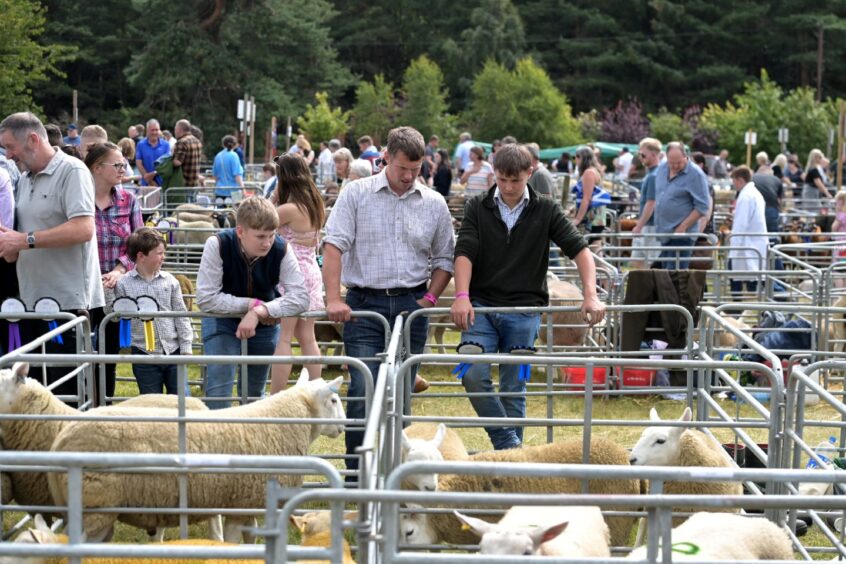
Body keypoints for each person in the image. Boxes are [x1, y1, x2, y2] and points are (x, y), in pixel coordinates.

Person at [450, 143, 605, 450]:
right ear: (494, 173)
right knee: (471, 371)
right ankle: (510, 445)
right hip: (480, 308)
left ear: (529, 174)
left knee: (514, 385)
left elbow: (580, 250)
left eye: (516, 180)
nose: (508, 187)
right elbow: (464, 250)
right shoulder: (478, 206)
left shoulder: (545, 209)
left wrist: (591, 295)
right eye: (502, 179)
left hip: (524, 311)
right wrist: (462, 295)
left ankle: (512, 463)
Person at [323, 126, 455, 478]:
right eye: (402, 169)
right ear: (386, 159)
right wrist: (334, 298)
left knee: (403, 392)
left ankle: (399, 473)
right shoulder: (356, 194)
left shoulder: (434, 203)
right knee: (363, 388)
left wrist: (428, 299)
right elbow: (334, 245)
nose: (409, 176)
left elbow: (445, 258)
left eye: (416, 169)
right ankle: (356, 475)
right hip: (365, 304)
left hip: (412, 305)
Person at [0, 112, 104, 403]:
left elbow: (84, 228)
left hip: (66, 307)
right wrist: (11, 241)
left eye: (11, 147)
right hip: (31, 304)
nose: (8, 155)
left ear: (32, 139)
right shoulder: (23, 178)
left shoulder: (72, 171)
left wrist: (24, 240)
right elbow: (26, 235)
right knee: (39, 399)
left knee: (66, 399)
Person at [195, 196, 309, 409]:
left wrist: (261, 311)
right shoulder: (218, 244)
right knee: (219, 388)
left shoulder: (281, 249)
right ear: (240, 232)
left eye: (272, 235)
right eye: (260, 236)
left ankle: (249, 441)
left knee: (254, 393)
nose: (267, 243)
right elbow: (206, 298)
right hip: (222, 320)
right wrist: (250, 304)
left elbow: (301, 297)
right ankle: (216, 441)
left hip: (263, 324)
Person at [86, 142, 144, 403]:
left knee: (108, 357)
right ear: (97, 168)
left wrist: (121, 269)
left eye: (124, 164)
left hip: (115, 290)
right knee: (81, 353)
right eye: (117, 164)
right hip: (83, 287)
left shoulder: (129, 200)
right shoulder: (79, 199)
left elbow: (141, 244)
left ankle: (104, 408)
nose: (123, 169)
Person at [269, 154, 326, 392]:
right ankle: (316, 390)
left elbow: (260, 218)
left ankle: (276, 394)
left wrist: (272, 196)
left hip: (291, 272)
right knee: (308, 337)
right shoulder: (316, 204)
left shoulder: (288, 209)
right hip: (311, 270)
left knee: (284, 337)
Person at [111, 228, 193, 394]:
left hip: (173, 351)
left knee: (182, 400)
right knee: (152, 401)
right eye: (159, 253)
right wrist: (108, 288)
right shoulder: (124, 284)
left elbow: (181, 315)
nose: (164, 257)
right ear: (141, 256)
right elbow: (113, 316)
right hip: (143, 354)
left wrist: (186, 346)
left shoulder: (170, 281)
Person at [652, 142, 711, 269]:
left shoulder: (696, 174)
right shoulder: (662, 168)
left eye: (678, 162)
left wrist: (683, 227)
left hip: (682, 235)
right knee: (664, 275)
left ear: (686, 156)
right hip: (664, 232)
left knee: (675, 275)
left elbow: (702, 206)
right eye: (671, 162)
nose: (674, 166)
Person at [728, 166, 767, 295]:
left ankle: (735, 309)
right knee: (754, 278)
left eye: (734, 180)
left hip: (747, 244)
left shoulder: (746, 196)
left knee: (739, 280)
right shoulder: (755, 193)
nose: (733, 184)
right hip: (754, 242)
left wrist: (734, 246)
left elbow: (741, 223)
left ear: (739, 180)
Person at [631, 138, 662, 269]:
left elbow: (651, 203)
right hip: (647, 225)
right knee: (638, 261)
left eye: (643, 155)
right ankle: (644, 288)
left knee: (649, 263)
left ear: (654, 155)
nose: (641, 158)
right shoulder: (651, 174)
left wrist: (639, 225)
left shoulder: (654, 176)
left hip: (651, 226)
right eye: (639, 155)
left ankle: (650, 288)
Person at [571, 147, 609, 238]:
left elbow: (586, 198)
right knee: (595, 249)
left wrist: (577, 219)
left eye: (576, 156)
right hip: (596, 217)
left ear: (583, 158)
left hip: (591, 219)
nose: (574, 159)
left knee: (588, 250)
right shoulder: (593, 171)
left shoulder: (589, 173)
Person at [135, 119, 170, 188]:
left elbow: (167, 163)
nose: (154, 132)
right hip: (146, 184)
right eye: (152, 130)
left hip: (163, 184)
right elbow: (139, 162)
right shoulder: (140, 144)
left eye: (156, 130)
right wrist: (149, 179)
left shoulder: (166, 145)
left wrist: (154, 173)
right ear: (147, 131)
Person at [172, 119, 203, 188]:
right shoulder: (197, 141)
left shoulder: (182, 142)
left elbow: (177, 162)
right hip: (194, 184)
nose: (175, 132)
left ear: (180, 129)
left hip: (183, 184)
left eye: (175, 129)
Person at [212, 134, 245, 200]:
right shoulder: (234, 155)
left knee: (220, 210)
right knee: (235, 210)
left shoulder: (218, 156)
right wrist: (243, 190)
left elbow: (215, 176)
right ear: (235, 145)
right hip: (234, 191)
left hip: (219, 191)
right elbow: (237, 176)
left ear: (222, 144)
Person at [752, 169, 784, 234]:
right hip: (771, 207)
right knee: (772, 233)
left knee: (754, 233)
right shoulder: (777, 179)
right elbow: (779, 200)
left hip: (754, 209)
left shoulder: (752, 178)